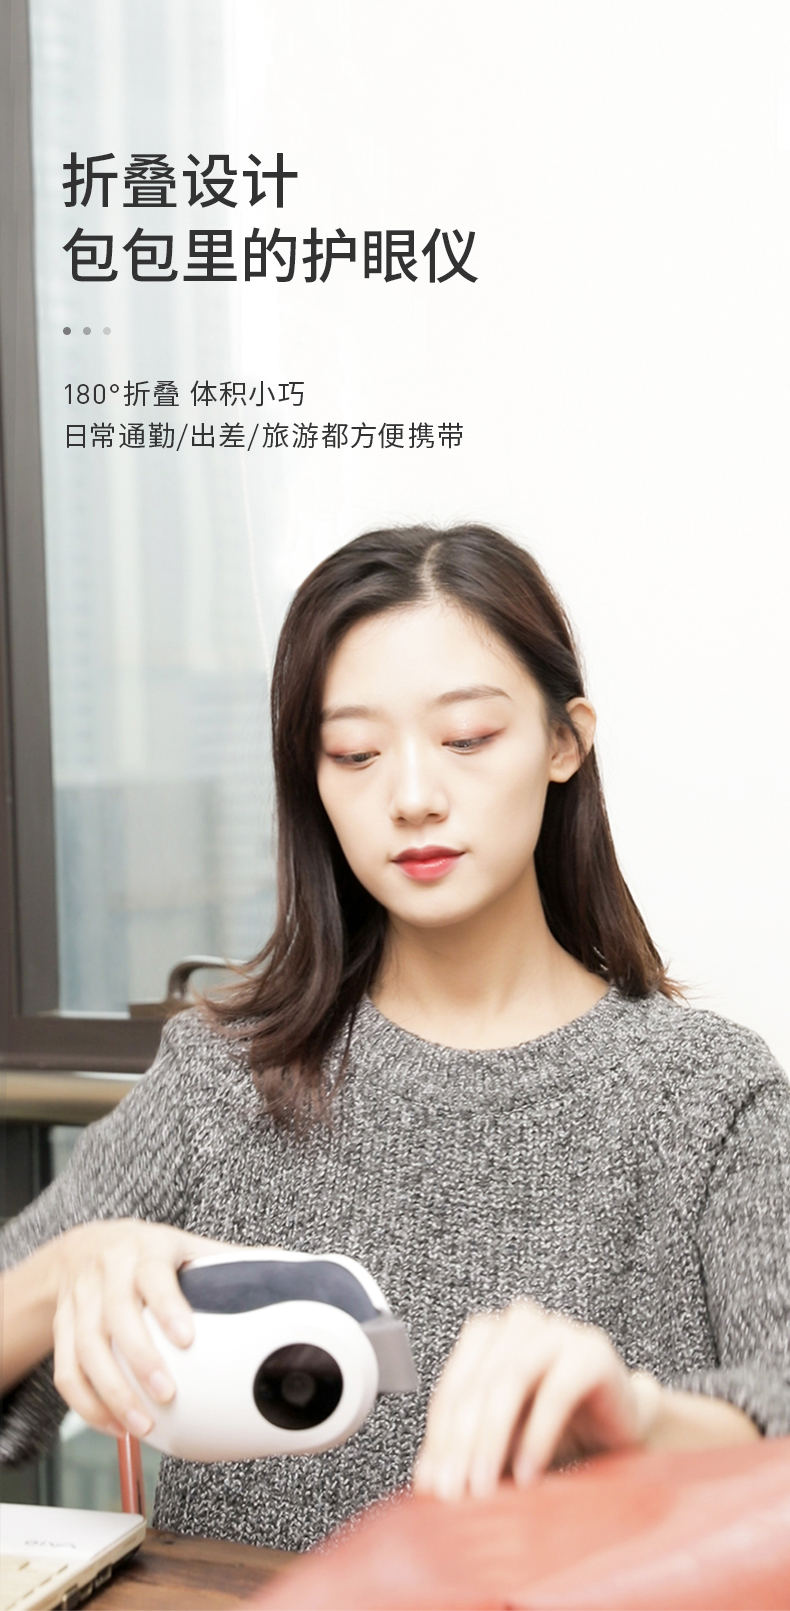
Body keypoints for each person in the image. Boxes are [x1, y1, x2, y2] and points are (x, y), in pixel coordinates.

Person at [2, 524, 789, 1552]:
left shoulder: (709, 1094)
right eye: (355, 754)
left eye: (467, 738)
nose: (412, 796)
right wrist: (75, 1266)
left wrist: (639, 1418)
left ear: (564, 742)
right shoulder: (223, 1077)